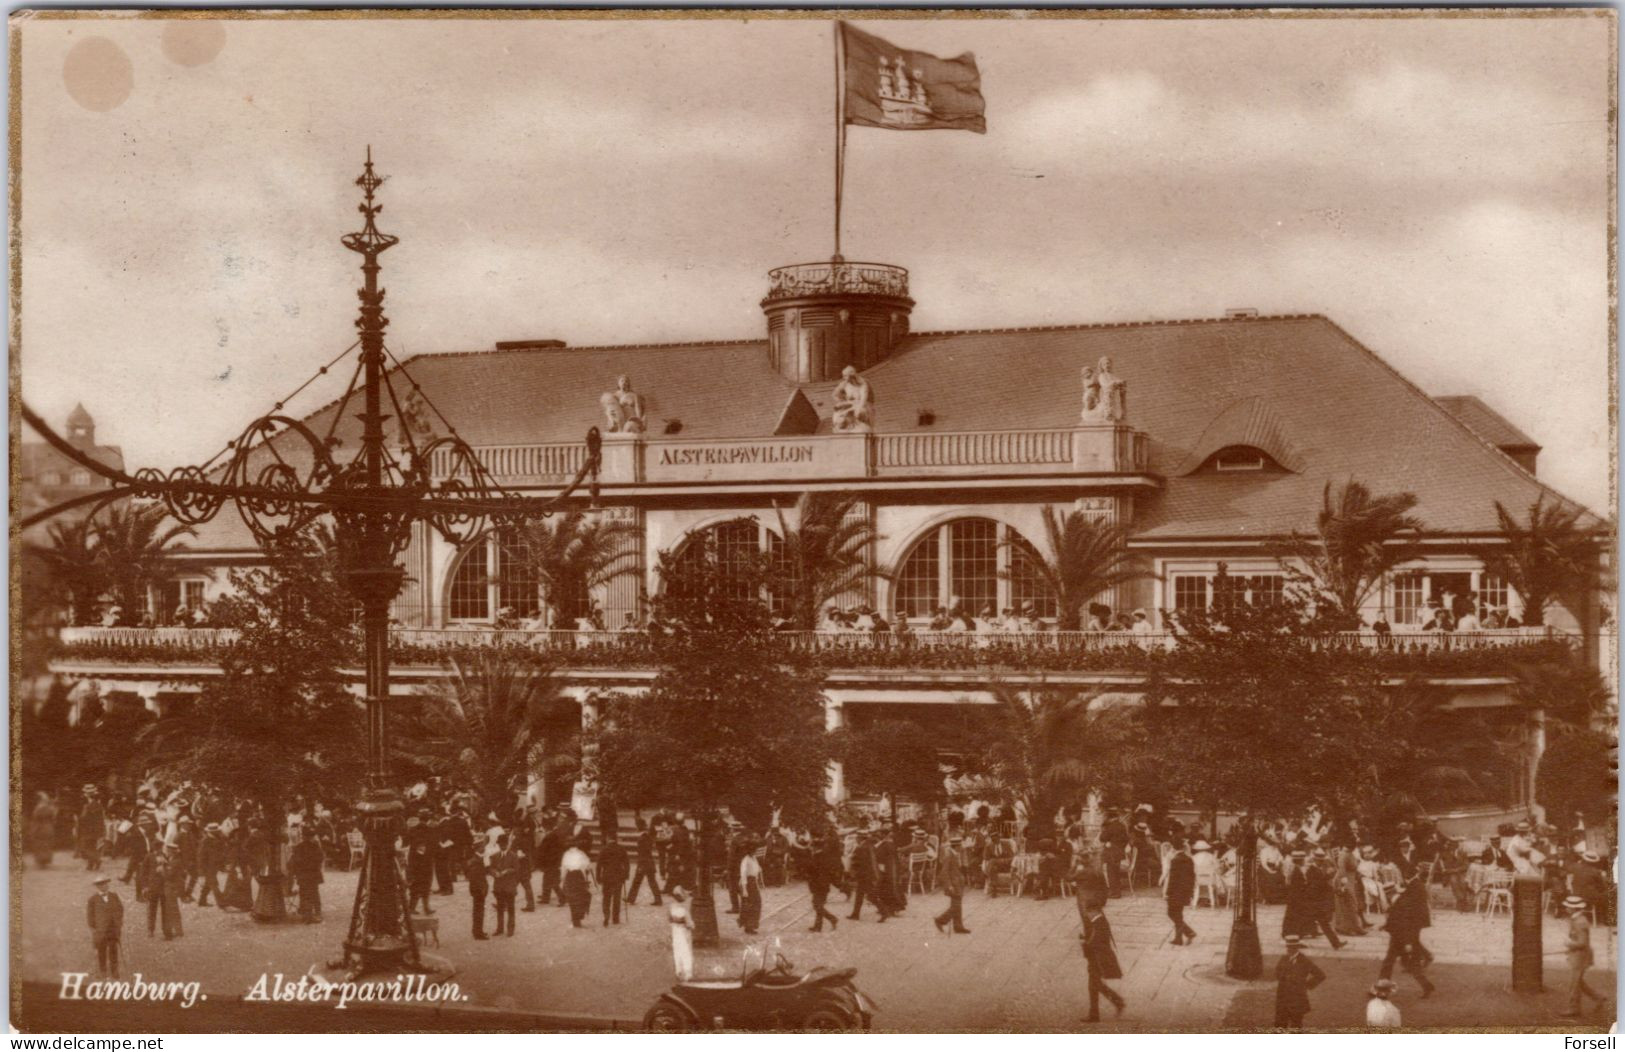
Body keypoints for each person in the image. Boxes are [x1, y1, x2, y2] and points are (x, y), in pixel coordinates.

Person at [1379, 875, 1436, 997]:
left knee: (1389, 963)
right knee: (1408, 964)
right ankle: (1426, 985)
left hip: (1400, 938)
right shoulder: (1401, 901)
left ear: (1389, 894)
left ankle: (1380, 989)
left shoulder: (1401, 904)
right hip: (1401, 937)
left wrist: (1408, 943)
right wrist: (1385, 925)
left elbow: (1405, 924)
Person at [1080, 902, 1125, 1023]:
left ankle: (1113, 1004)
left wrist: (1084, 943)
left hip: (1098, 959)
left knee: (1094, 985)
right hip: (1095, 959)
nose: (1086, 915)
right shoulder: (1098, 921)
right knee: (1094, 985)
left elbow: (1096, 943)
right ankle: (1097, 1012)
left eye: (1087, 912)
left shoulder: (1099, 924)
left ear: (1093, 911)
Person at [1561, 895, 1605, 1018]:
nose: (1566, 908)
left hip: (1580, 956)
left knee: (1574, 983)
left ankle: (1573, 1009)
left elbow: (1582, 943)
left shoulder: (1580, 922)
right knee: (1578, 982)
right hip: (1578, 955)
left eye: (1568, 907)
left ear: (1574, 909)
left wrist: (1569, 944)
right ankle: (1598, 997)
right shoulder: (1576, 919)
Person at [1274, 934, 1325, 1029]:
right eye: (1288, 947)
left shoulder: (1304, 961)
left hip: (1297, 998)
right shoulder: (1284, 958)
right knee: (1280, 1024)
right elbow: (1277, 972)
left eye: (1292, 948)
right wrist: (1283, 978)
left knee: (1296, 1024)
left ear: (1297, 948)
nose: (1289, 950)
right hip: (1283, 997)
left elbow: (1320, 975)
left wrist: (1306, 985)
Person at [1305, 848, 1345, 949]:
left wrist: (1334, 889)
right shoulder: (1311, 870)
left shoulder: (1317, 869)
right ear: (1315, 860)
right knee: (1318, 922)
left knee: (1323, 923)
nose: (1321, 862)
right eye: (1320, 860)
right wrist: (1327, 876)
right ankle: (1294, 939)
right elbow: (1316, 885)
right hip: (1313, 901)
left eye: (1322, 860)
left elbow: (1322, 885)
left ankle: (1336, 943)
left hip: (1316, 901)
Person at [86, 875, 124, 978]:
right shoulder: (92, 900)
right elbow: (90, 916)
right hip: (101, 930)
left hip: (113, 929)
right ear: (97, 886)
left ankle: (114, 970)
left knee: (113, 950)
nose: (104, 886)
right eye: (101, 884)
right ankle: (103, 970)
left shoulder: (114, 896)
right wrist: (95, 928)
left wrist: (118, 922)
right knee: (101, 951)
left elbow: (120, 909)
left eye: (106, 883)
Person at [143, 846, 183, 940]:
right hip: (152, 889)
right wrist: (145, 886)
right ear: (153, 849)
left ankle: (166, 932)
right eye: (157, 849)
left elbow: (170, 873)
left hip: (163, 889)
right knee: (152, 910)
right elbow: (143, 872)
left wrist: (163, 868)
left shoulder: (166, 857)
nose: (159, 850)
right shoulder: (148, 857)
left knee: (166, 911)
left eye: (160, 848)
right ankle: (150, 930)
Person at [934, 835, 971, 935]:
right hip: (953, 885)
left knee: (957, 905)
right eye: (960, 846)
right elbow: (943, 873)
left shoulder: (955, 854)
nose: (962, 848)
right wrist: (949, 885)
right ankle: (940, 920)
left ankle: (958, 926)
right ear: (956, 846)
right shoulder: (949, 856)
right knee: (956, 906)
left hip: (957, 883)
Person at [1164, 838, 1197, 945]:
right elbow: (1192, 877)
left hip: (1175, 891)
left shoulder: (1175, 860)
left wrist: (1167, 893)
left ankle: (1188, 932)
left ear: (1173, 848)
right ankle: (1179, 938)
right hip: (1185, 890)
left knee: (1172, 913)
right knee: (1178, 914)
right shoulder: (1189, 859)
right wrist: (1191, 892)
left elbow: (1172, 879)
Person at [808, 832, 842, 932]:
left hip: (819, 885)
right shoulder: (824, 856)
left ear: (815, 847)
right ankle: (818, 926)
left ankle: (832, 919)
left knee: (816, 905)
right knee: (819, 905)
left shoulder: (817, 858)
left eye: (812, 846)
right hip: (823, 885)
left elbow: (812, 871)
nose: (811, 848)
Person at [288, 832, 324, 924]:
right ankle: (315, 912)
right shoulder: (315, 847)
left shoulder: (298, 847)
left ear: (303, 837)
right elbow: (320, 858)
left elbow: (293, 862)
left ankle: (306, 914)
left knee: (304, 893)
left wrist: (295, 872)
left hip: (303, 875)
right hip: (313, 874)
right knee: (314, 892)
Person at [490, 833, 521, 937]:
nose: (502, 846)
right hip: (499, 886)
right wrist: (494, 873)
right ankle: (500, 928)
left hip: (509, 886)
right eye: (500, 844)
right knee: (500, 908)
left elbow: (516, 869)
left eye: (504, 844)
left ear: (507, 844)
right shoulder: (495, 856)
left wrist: (506, 871)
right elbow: (491, 868)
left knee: (511, 908)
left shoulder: (513, 856)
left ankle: (510, 929)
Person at [848, 830, 882, 922]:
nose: (856, 839)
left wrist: (854, 873)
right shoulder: (870, 845)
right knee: (860, 894)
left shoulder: (861, 847)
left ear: (860, 838)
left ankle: (884, 912)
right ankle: (855, 914)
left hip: (864, 875)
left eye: (857, 837)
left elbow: (859, 863)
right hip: (868, 874)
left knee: (870, 895)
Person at [561, 834, 594, 928]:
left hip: (570, 876)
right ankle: (579, 917)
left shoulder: (566, 854)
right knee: (581, 897)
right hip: (579, 876)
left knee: (572, 898)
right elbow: (588, 866)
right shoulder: (581, 854)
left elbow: (563, 868)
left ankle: (575, 919)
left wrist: (562, 879)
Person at [628, 818, 662, 906]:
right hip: (649, 863)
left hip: (644, 863)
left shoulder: (642, 838)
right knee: (651, 881)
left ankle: (631, 899)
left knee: (638, 881)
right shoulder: (647, 836)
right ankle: (658, 899)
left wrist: (640, 865)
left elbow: (643, 853)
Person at [598, 833, 629, 926]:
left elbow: (599, 865)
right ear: (616, 839)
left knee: (606, 897)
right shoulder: (621, 849)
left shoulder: (604, 849)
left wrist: (598, 877)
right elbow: (627, 863)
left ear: (608, 838)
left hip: (607, 876)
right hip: (618, 876)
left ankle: (606, 915)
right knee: (616, 898)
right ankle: (615, 918)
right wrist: (626, 875)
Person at [1100, 810, 1129, 899]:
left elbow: (1102, 838)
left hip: (1111, 852)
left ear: (1110, 818)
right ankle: (1117, 892)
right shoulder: (1122, 826)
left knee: (1111, 872)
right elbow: (1126, 839)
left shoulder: (1109, 826)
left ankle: (1114, 893)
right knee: (1116, 872)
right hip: (1119, 852)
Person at [668, 888, 695, 981]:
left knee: (677, 951)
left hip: (675, 931)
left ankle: (678, 971)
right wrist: (692, 926)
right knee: (686, 952)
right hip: (684, 932)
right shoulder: (684, 910)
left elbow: (670, 919)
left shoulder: (672, 908)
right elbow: (690, 924)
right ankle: (688, 973)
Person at [738, 838, 763, 935]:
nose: (755, 852)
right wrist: (744, 889)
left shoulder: (754, 858)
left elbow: (757, 869)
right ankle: (748, 926)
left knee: (756, 903)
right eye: (754, 850)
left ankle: (752, 925)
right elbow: (743, 874)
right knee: (750, 905)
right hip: (747, 883)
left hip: (753, 882)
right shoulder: (745, 860)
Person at [466, 847, 490, 940]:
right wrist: (482, 889)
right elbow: (476, 878)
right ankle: (478, 932)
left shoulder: (475, 860)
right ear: (478, 850)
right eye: (482, 848)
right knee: (479, 912)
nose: (484, 849)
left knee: (477, 911)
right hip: (478, 890)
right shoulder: (477, 861)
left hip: (477, 889)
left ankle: (477, 931)